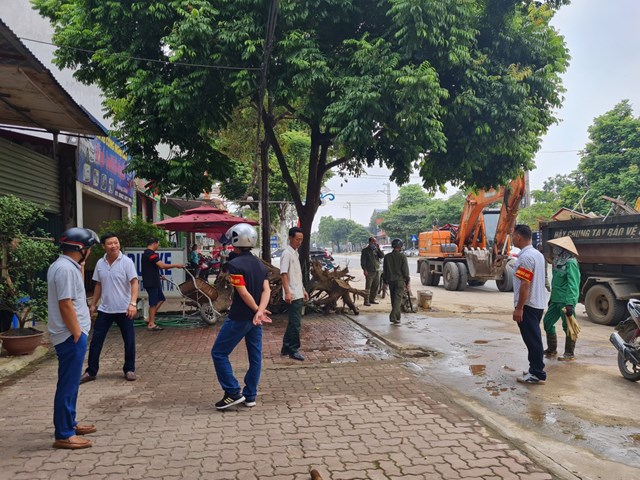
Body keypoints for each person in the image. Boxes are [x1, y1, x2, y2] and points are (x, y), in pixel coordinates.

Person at [48, 227, 99, 449]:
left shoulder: (66, 266)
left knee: (71, 384)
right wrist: (77, 333)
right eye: (89, 248)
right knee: (68, 385)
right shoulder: (65, 270)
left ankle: (70, 423)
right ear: (81, 248)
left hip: (72, 334)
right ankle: (64, 434)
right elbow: (65, 303)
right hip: (70, 336)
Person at [211, 223, 271, 409]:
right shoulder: (260, 264)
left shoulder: (234, 265)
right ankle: (250, 395)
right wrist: (260, 311)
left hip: (240, 317)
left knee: (219, 353)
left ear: (236, 240)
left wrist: (256, 311)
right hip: (255, 319)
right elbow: (266, 290)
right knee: (255, 357)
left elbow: (243, 293)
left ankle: (232, 391)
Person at [81, 232, 139, 384]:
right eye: (110, 243)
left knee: (129, 341)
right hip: (105, 310)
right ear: (104, 246)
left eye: (116, 242)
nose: (114, 245)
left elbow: (134, 283)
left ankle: (129, 369)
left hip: (124, 309)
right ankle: (91, 371)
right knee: (96, 342)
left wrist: (132, 304)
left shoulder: (126, 262)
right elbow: (98, 284)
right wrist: (93, 304)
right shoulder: (100, 263)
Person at [511, 224, 548, 385]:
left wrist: (519, 308)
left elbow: (525, 284)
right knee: (534, 339)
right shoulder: (537, 254)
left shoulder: (525, 258)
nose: (511, 238)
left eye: (513, 235)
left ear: (519, 237)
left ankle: (536, 372)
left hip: (528, 305)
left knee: (532, 340)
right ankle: (535, 368)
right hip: (537, 304)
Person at [542, 236, 581, 360]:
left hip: (565, 301)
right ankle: (552, 349)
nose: (554, 250)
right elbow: (555, 282)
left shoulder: (571, 262)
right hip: (555, 299)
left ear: (563, 249)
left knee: (568, 327)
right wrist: (551, 299)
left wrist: (570, 303)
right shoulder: (557, 261)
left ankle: (569, 353)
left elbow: (573, 284)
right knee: (547, 322)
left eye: (556, 248)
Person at [141, 237, 184, 331]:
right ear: (154, 243)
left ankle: (149, 319)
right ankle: (151, 324)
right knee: (153, 303)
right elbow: (162, 266)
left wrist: (159, 276)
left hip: (153, 280)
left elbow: (150, 268)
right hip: (151, 282)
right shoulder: (151, 254)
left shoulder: (146, 254)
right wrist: (176, 265)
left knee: (161, 299)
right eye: (158, 244)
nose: (158, 246)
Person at [280, 226, 309, 361]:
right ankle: (293, 349)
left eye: (301, 239)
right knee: (295, 323)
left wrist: (303, 290)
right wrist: (287, 292)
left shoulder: (295, 253)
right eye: (297, 239)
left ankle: (286, 347)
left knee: (293, 322)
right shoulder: (287, 254)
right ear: (290, 238)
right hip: (291, 294)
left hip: (297, 292)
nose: (300, 242)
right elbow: (284, 274)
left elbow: (297, 276)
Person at [382, 238, 410, 324]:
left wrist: (385, 281)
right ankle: (393, 316)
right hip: (400, 281)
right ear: (400, 246)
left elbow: (385, 270)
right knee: (398, 299)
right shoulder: (402, 257)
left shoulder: (387, 257)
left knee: (393, 299)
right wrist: (407, 281)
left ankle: (397, 317)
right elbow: (405, 270)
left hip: (391, 281)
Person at [360, 236, 384, 306]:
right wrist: (364, 270)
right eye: (373, 241)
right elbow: (363, 261)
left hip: (377, 270)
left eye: (375, 241)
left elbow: (382, 256)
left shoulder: (376, 250)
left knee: (376, 286)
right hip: (369, 271)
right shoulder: (365, 250)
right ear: (370, 242)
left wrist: (378, 249)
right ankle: (366, 301)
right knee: (368, 286)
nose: (375, 243)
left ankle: (372, 299)